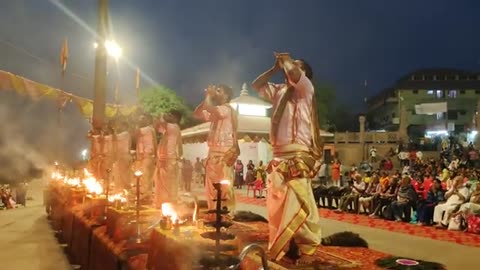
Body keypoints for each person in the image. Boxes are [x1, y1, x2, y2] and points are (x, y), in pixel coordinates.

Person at [252, 52, 322, 262]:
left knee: (301, 201)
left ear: (305, 74)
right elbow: (256, 85)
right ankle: (284, 245)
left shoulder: (306, 89)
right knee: (277, 206)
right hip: (278, 155)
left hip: (297, 153)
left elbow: (293, 73)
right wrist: (273, 69)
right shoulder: (279, 90)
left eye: (296, 67)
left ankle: (308, 249)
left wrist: (288, 63)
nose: (289, 68)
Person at [193, 84, 239, 211]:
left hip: (224, 152)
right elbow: (197, 113)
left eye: (219, 91)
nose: (215, 92)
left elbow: (208, 107)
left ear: (226, 96)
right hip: (213, 152)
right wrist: (207, 98)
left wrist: (209, 95)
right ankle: (213, 212)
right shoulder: (216, 111)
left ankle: (226, 213)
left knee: (224, 185)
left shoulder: (226, 109)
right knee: (211, 185)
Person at [153, 110, 183, 207]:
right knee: (160, 181)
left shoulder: (173, 127)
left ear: (176, 119)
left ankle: (169, 202)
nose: (168, 116)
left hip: (169, 159)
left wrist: (162, 115)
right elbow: (157, 126)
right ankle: (162, 202)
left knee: (167, 182)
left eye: (170, 115)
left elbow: (161, 122)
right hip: (164, 158)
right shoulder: (169, 129)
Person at [136, 114, 157, 201]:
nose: (141, 120)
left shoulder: (148, 129)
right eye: (140, 119)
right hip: (144, 156)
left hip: (148, 156)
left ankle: (146, 194)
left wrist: (156, 155)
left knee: (147, 176)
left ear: (147, 120)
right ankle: (147, 194)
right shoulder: (143, 130)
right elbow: (138, 143)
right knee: (145, 176)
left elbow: (155, 142)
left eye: (143, 119)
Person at [112, 120, 132, 192]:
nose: (119, 127)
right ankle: (122, 190)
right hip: (121, 156)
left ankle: (126, 190)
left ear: (124, 126)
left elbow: (114, 138)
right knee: (120, 173)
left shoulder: (125, 133)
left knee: (123, 175)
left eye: (120, 125)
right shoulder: (125, 134)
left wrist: (114, 129)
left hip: (123, 156)